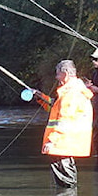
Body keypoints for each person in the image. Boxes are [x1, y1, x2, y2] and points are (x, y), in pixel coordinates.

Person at [36, 59, 94, 188]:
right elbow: (56, 110)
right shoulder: (72, 90)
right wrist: (42, 99)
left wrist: (52, 140)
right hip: (66, 141)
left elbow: (65, 119)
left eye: (58, 74)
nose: (57, 78)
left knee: (66, 182)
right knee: (65, 180)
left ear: (65, 74)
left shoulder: (71, 93)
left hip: (63, 142)